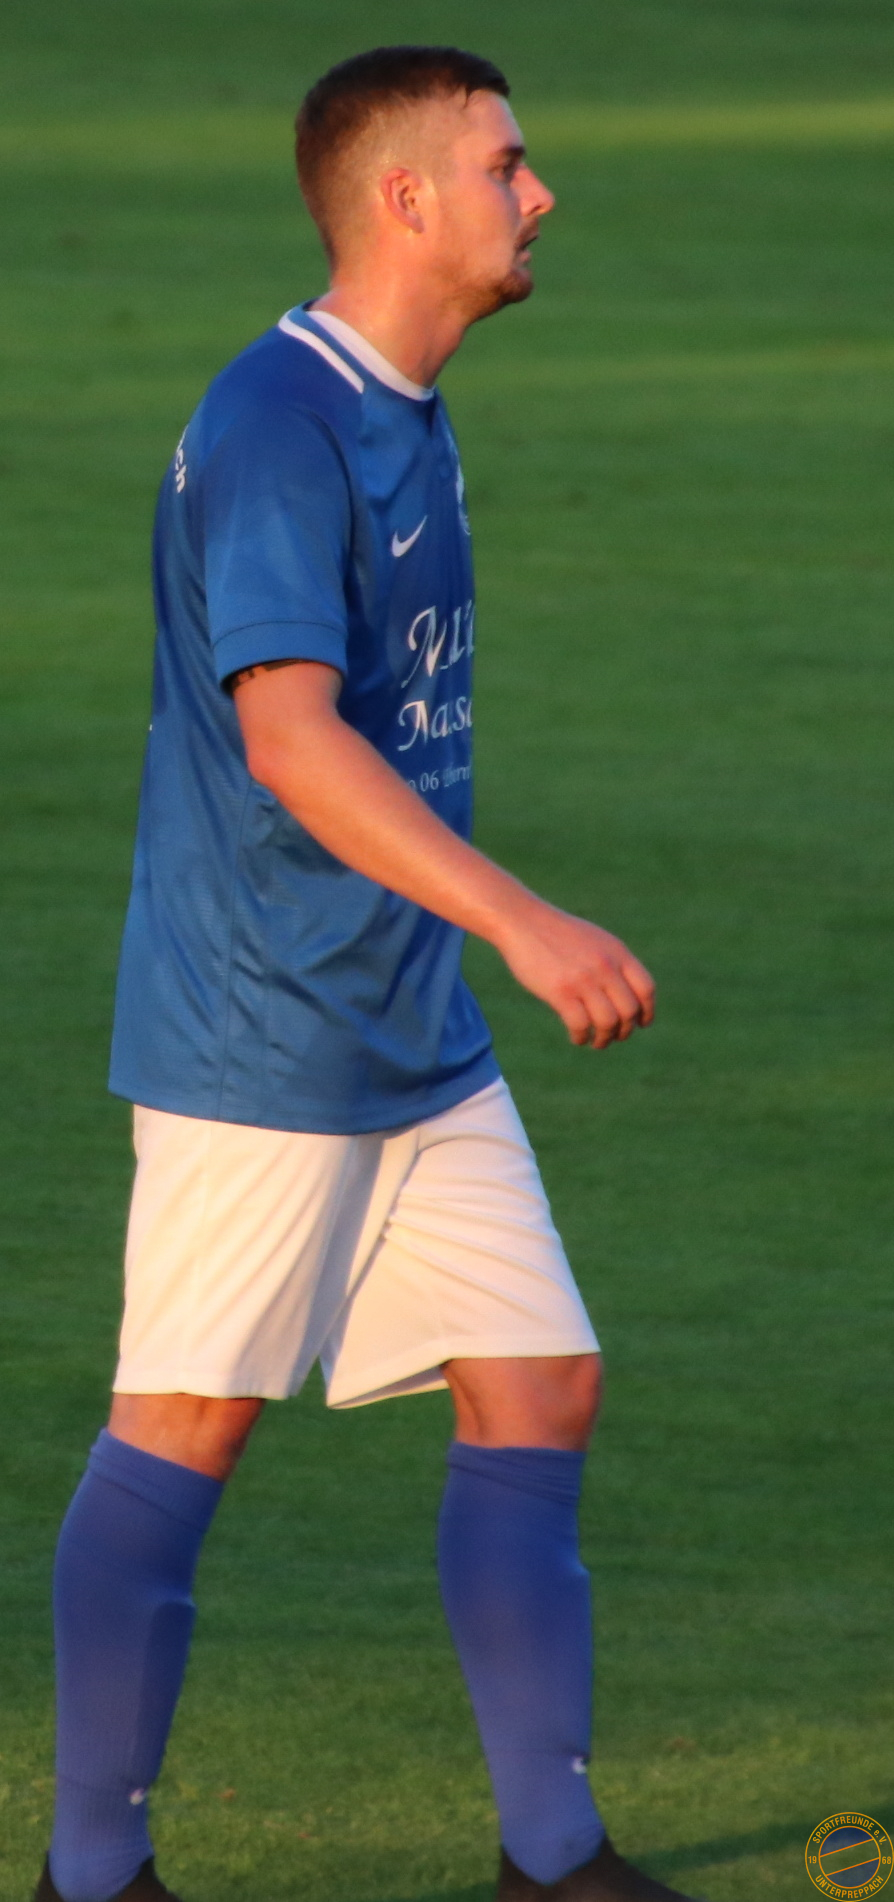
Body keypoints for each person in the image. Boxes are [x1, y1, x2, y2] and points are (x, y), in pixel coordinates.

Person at [36, 45, 703, 1902]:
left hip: (404, 1025)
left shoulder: (405, 405)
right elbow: (292, 741)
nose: (538, 193)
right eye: (506, 163)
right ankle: (87, 1872)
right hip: (263, 1032)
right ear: (405, 198)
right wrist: (526, 921)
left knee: (540, 1382)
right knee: (180, 1432)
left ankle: (552, 1858)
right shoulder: (279, 427)